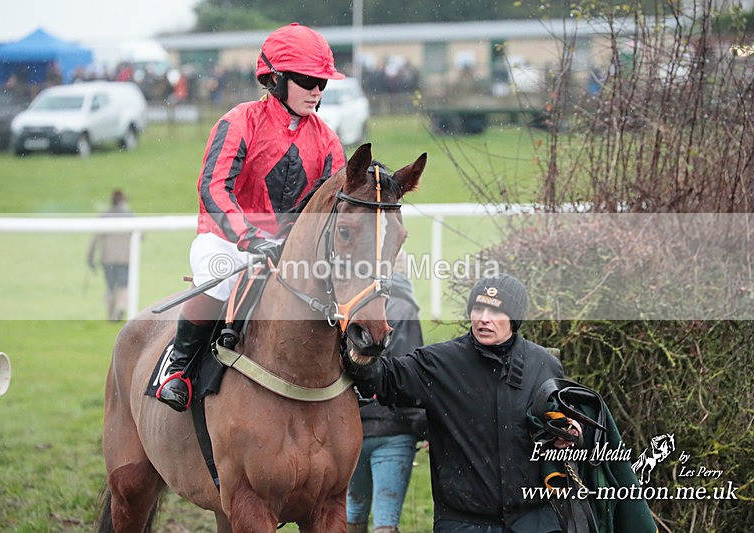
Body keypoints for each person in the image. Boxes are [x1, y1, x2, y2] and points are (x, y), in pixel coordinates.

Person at [156, 23, 347, 412]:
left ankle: (355, 377)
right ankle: (177, 370)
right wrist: (248, 237)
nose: (317, 91)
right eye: (309, 80)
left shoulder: (328, 140)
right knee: (218, 277)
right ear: (276, 78)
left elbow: (330, 209)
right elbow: (213, 187)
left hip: (288, 248)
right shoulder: (239, 121)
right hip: (226, 238)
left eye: (323, 83)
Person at [343, 273, 578, 532]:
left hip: (534, 520)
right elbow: (386, 378)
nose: (483, 318)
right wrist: (359, 353)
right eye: (478, 308)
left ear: (515, 318)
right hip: (463, 523)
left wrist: (571, 433)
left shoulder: (544, 365)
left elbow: (559, 420)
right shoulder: (441, 363)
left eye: (495, 310)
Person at [347, 251, 427, 533]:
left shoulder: (347, 307)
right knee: (386, 520)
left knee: (351, 513)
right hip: (394, 431)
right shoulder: (405, 309)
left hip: (350, 428)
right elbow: (409, 373)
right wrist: (423, 424)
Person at [87, 189, 134, 321]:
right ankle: (120, 308)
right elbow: (141, 236)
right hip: (125, 258)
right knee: (124, 286)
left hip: (108, 258)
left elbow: (95, 239)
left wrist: (90, 257)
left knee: (110, 287)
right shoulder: (129, 216)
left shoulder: (105, 216)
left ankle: (111, 314)